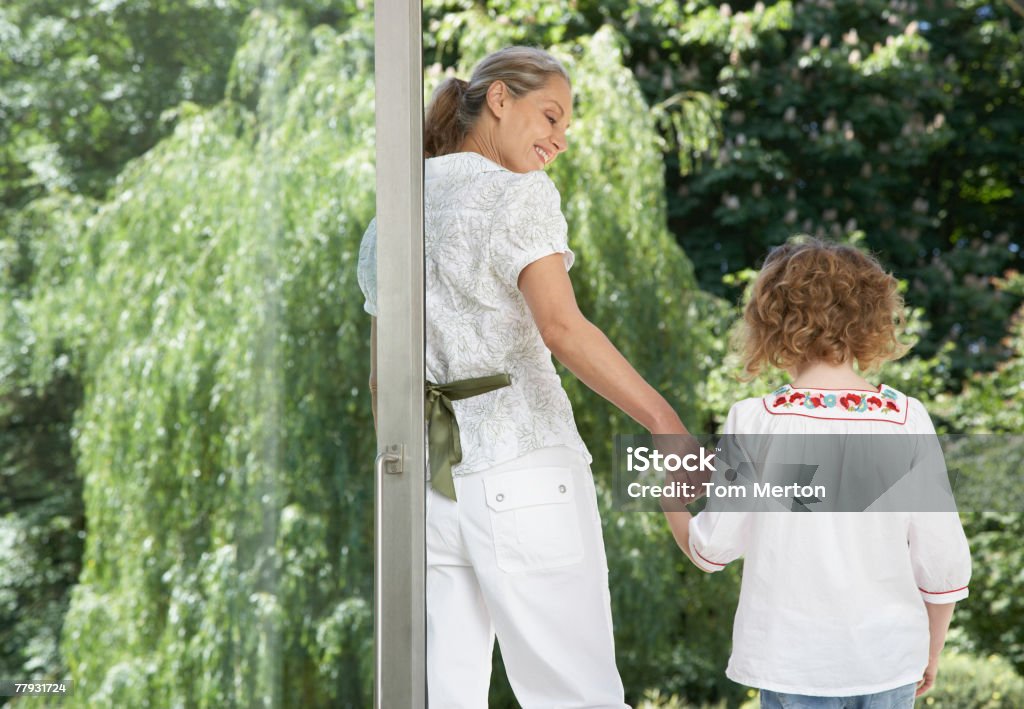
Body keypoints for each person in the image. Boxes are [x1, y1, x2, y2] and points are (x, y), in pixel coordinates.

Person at [358, 46, 689, 708]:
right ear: (500, 99)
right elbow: (561, 328)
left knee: (440, 697)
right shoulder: (519, 192)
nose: (558, 141)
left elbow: (381, 374)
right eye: (550, 116)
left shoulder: (393, 209)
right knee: (577, 695)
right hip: (525, 472)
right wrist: (662, 419)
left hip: (429, 484)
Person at [662, 239, 972, 708]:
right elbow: (942, 559)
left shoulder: (755, 421)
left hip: (791, 665)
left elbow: (713, 549)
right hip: (889, 662)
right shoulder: (907, 419)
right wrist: (929, 652)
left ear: (769, 321)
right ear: (873, 317)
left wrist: (672, 501)